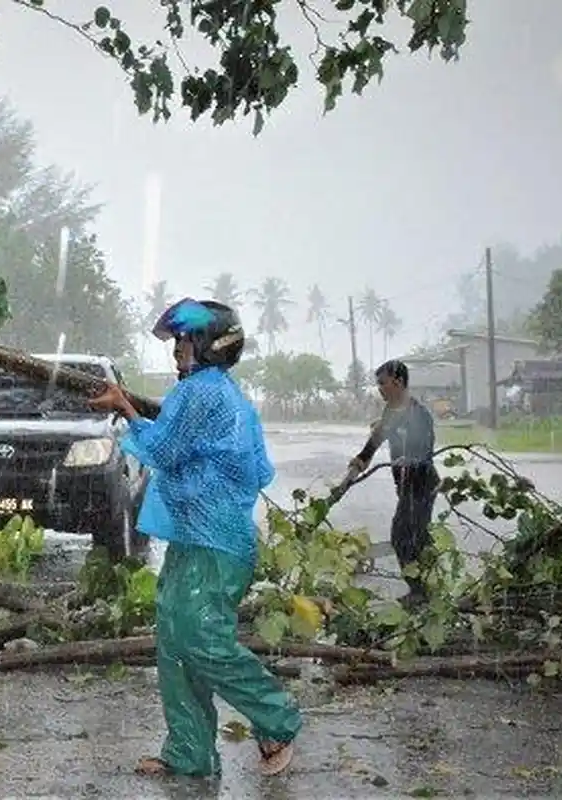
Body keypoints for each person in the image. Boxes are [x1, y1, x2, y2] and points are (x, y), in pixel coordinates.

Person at [89, 298, 301, 780]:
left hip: (215, 545)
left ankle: (278, 720)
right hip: (197, 540)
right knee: (176, 642)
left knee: (202, 640)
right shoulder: (217, 393)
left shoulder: (203, 392)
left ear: (206, 345)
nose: (176, 351)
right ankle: (190, 753)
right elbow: (184, 449)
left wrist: (123, 405)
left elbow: (164, 448)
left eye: (184, 341)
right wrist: (130, 409)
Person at [347, 359, 439, 605]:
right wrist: (360, 461)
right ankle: (431, 586)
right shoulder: (390, 412)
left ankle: (419, 592)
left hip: (421, 486)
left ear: (397, 382)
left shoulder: (419, 415)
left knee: (403, 535)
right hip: (405, 487)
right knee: (417, 537)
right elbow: (375, 441)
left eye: (382, 383)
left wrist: (404, 461)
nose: (379, 389)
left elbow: (422, 455)